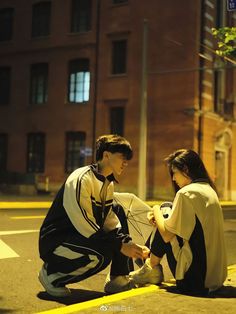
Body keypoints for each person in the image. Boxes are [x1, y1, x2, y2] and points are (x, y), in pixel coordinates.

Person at [38, 134, 149, 297]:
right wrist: (119, 246)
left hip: (79, 237)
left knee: (117, 209)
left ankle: (118, 277)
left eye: (127, 159)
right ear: (106, 155)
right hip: (57, 241)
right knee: (101, 255)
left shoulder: (108, 183)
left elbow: (110, 221)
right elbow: (84, 224)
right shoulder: (81, 178)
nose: (126, 163)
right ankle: (52, 275)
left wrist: (129, 244)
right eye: (122, 157)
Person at [130, 149, 227, 296]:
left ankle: (151, 266)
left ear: (186, 170)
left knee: (163, 210)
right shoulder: (209, 190)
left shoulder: (186, 193)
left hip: (194, 281)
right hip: (215, 279)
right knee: (167, 209)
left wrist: (155, 209)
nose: (174, 179)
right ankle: (150, 266)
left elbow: (167, 235)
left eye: (174, 173)